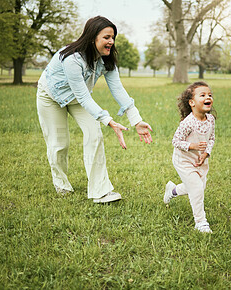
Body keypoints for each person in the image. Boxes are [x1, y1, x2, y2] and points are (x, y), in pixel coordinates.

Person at [36, 16, 153, 203]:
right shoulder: (72, 58)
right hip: (51, 97)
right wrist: (108, 120)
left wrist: (136, 120)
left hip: (78, 100)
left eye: (113, 37)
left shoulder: (107, 60)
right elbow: (83, 96)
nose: (111, 42)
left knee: (95, 134)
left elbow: (118, 89)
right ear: (92, 38)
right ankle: (61, 183)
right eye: (106, 37)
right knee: (59, 144)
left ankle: (100, 191)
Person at [164, 82, 216, 233]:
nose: (208, 97)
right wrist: (192, 146)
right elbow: (175, 141)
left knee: (196, 187)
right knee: (197, 189)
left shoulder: (211, 119)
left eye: (210, 95)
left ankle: (172, 191)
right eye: (203, 95)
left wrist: (206, 153)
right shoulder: (187, 123)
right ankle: (201, 223)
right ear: (192, 103)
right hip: (184, 161)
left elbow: (211, 138)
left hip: (200, 160)